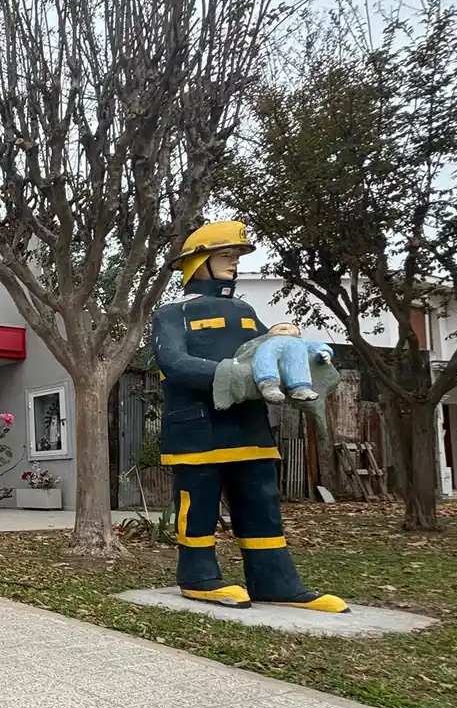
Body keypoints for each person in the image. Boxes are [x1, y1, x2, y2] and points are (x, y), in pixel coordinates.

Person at [149, 220, 347, 613]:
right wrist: (232, 375)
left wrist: (292, 346)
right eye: (225, 256)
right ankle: (198, 577)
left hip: (251, 429)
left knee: (261, 502)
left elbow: (263, 351)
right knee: (198, 504)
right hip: (197, 432)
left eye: (236, 257)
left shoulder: (245, 311)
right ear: (198, 262)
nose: (234, 265)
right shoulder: (170, 314)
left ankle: (275, 581)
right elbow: (174, 362)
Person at [251, 323, 334, 403]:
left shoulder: (300, 342)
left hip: (296, 348)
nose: (284, 326)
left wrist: (325, 352)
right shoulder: (266, 343)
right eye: (276, 328)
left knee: (297, 356)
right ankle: (269, 385)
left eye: (290, 327)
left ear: (299, 335)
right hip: (268, 347)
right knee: (265, 355)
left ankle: (300, 388)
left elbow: (316, 345)